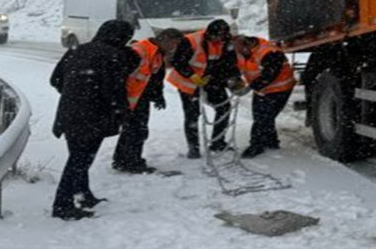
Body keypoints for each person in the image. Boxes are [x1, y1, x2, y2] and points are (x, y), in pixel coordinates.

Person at [49, 19, 136, 220]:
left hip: (70, 111)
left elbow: (55, 79)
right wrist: (123, 113)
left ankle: (83, 194)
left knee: (78, 157)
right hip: (94, 115)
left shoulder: (77, 50)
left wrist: (74, 92)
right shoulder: (113, 56)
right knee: (80, 160)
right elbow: (114, 91)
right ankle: (62, 205)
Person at [112, 28, 184, 173]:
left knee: (133, 130)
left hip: (139, 97)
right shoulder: (140, 50)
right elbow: (120, 74)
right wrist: (119, 98)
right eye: (173, 44)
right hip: (129, 98)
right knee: (136, 131)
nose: (173, 48)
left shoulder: (157, 53)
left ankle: (122, 160)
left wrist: (158, 95)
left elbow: (154, 78)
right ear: (165, 39)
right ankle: (131, 162)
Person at [167, 19, 239, 158]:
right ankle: (193, 147)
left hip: (211, 79)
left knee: (224, 108)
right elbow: (177, 62)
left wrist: (235, 78)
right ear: (208, 33)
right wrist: (192, 76)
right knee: (192, 114)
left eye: (219, 37)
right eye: (214, 36)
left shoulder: (227, 43)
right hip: (187, 81)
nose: (216, 39)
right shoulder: (191, 41)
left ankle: (218, 142)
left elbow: (230, 63)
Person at [230, 35, 296, 158]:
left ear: (248, 45)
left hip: (280, 88)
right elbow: (235, 67)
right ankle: (271, 142)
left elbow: (269, 75)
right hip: (262, 89)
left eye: (239, 49)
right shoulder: (242, 52)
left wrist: (249, 87)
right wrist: (235, 80)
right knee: (263, 116)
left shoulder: (269, 52)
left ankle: (256, 145)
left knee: (262, 117)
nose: (238, 53)